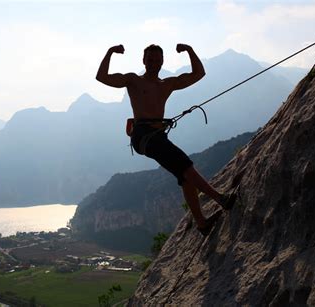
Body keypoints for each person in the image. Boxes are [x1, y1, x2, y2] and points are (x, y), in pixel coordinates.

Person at [96, 43, 236, 236]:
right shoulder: (133, 80)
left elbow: (198, 74)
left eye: (157, 60)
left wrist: (189, 50)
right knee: (185, 165)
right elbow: (102, 77)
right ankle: (221, 199)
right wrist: (110, 52)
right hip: (143, 135)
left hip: (157, 136)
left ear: (162, 61)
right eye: (150, 59)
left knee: (184, 176)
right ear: (143, 61)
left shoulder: (166, 84)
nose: (153, 63)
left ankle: (202, 224)